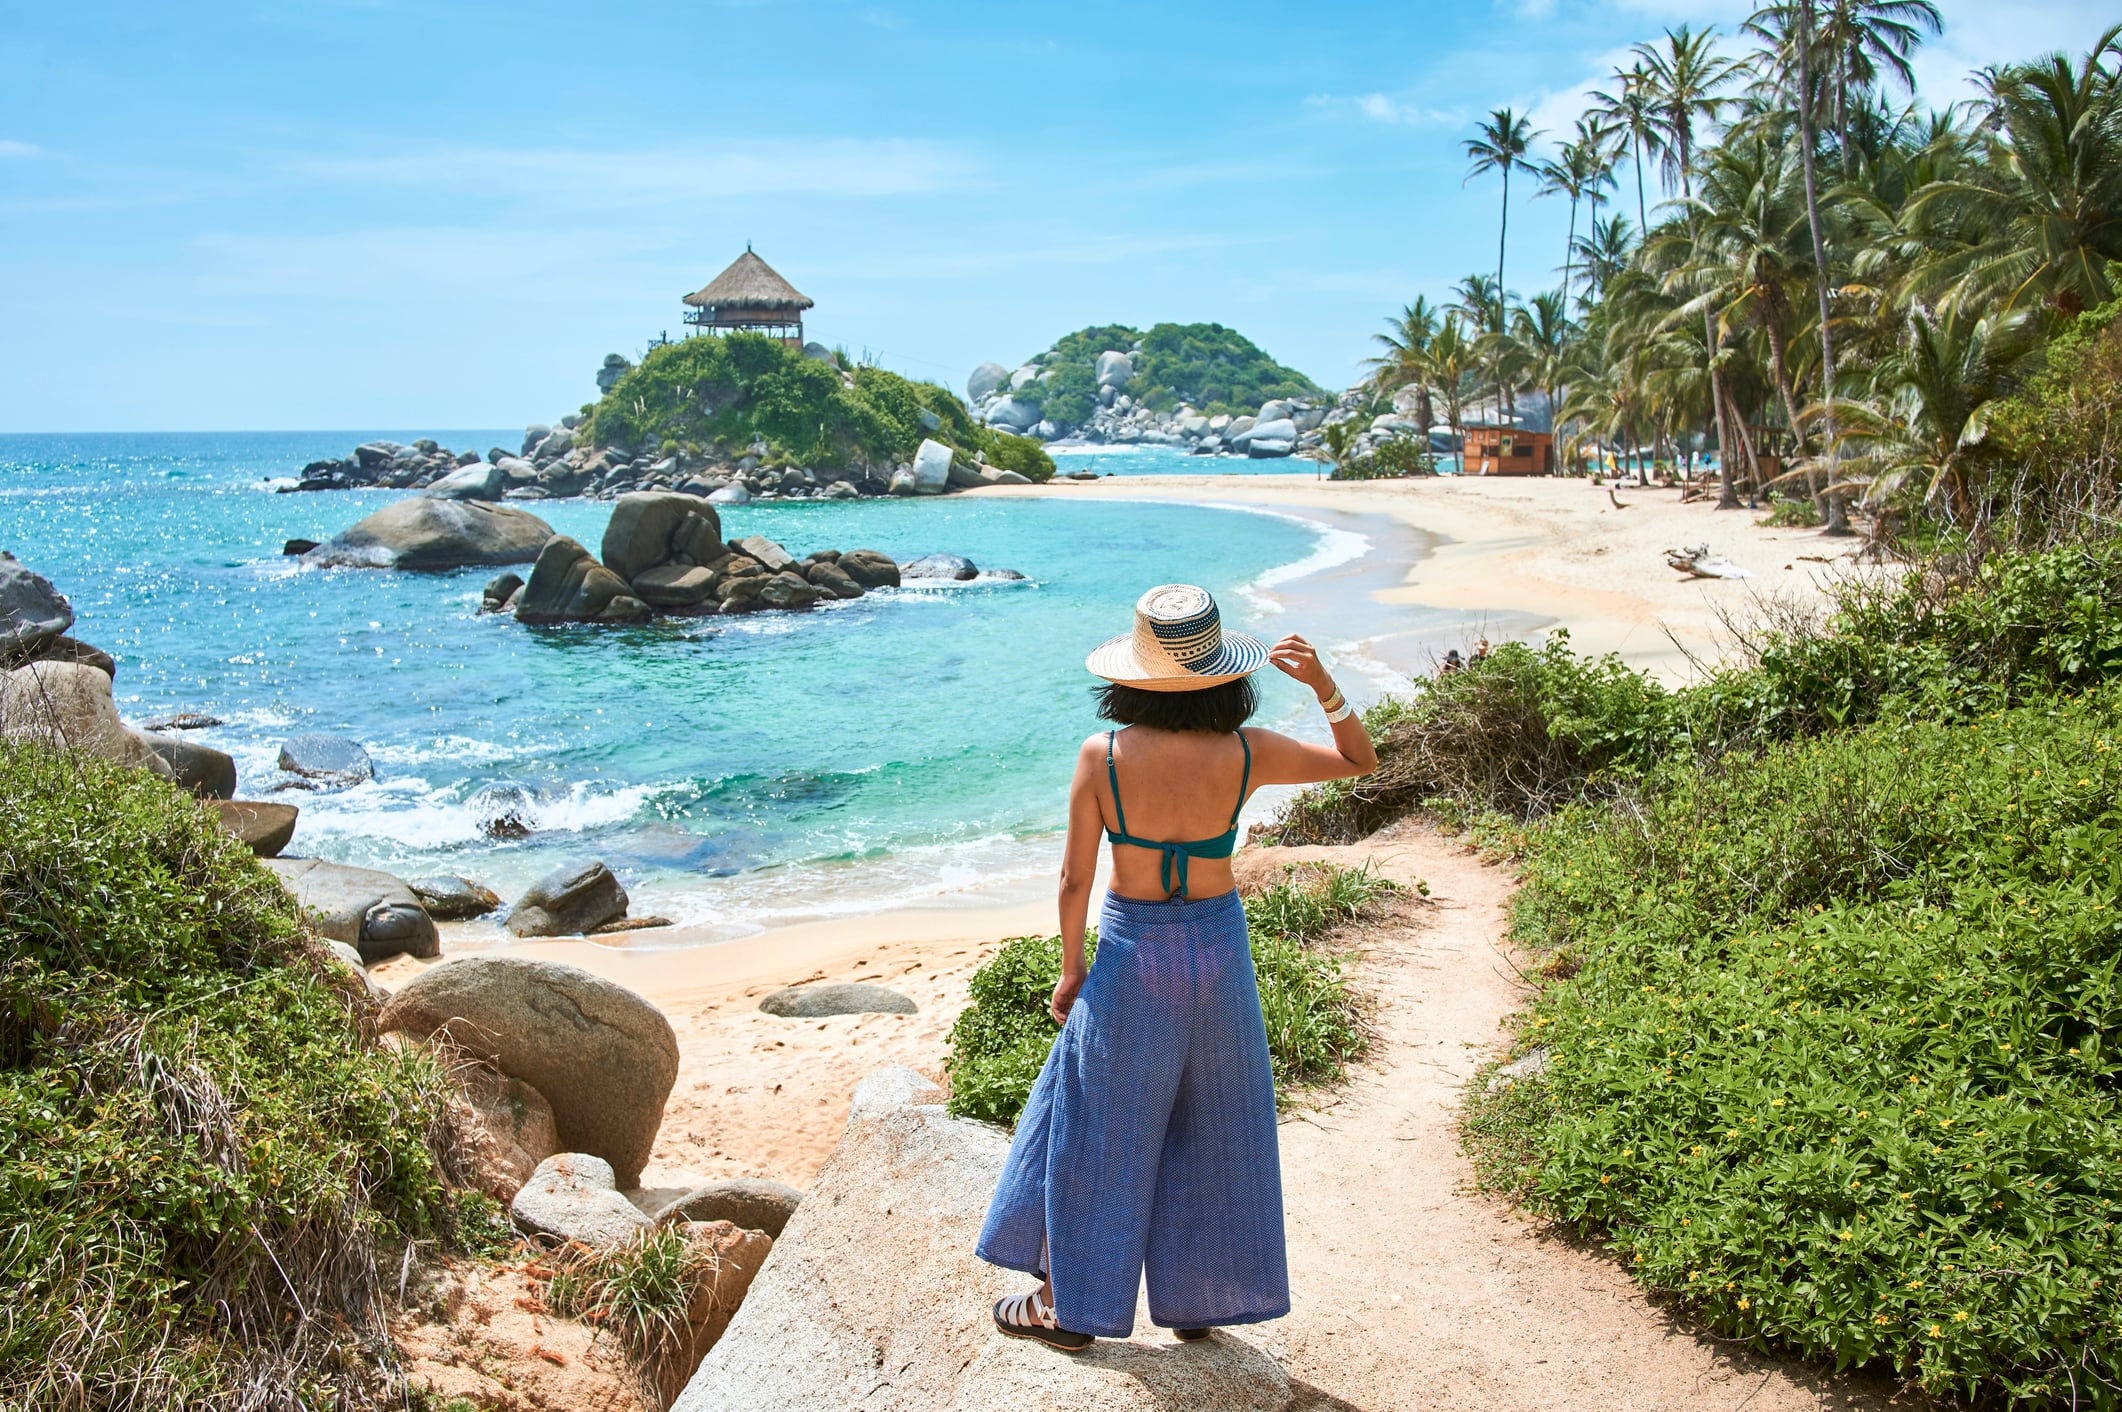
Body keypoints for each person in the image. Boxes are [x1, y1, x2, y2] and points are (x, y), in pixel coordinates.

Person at [976, 583, 1377, 1352]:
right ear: (1226, 674)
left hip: (1134, 952)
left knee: (1098, 1125)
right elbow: (1359, 759)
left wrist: (1071, 969)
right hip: (1218, 952)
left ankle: (1068, 1307)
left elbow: (1073, 879)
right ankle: (1200, 1299)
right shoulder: (1249, 750)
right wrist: (1325, 686)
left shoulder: (1105, 756)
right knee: (1216, 1120)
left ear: (1131, 676)